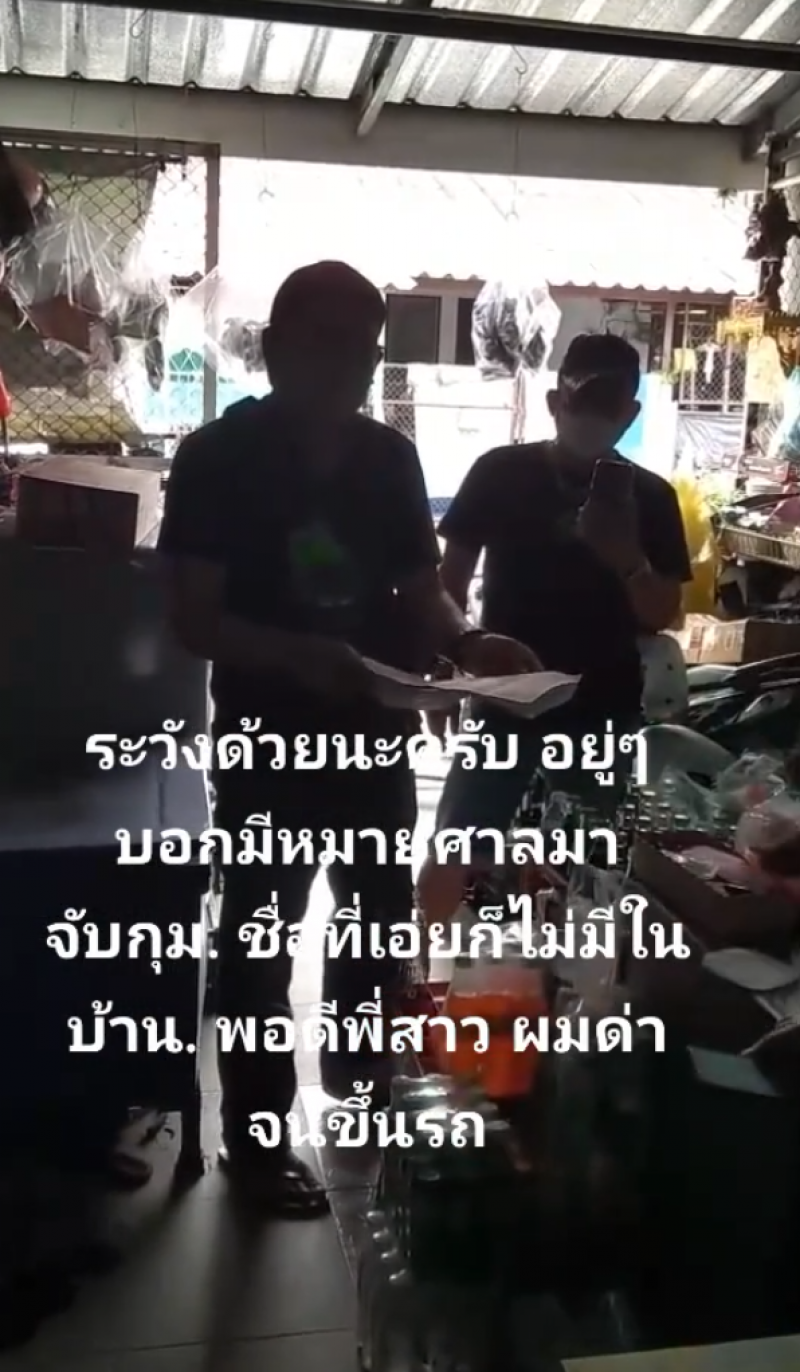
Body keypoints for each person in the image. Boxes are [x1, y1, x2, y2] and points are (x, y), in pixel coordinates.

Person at [158, 261, 536, 1214]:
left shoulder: (387, 458)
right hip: (270, 745)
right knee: (259, 942)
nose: (349, 368)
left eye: (364, 351)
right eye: (326, 344)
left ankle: (361, 1098)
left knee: (373, 929)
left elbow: (422, 586)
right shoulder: (216, 458)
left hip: (375, 736)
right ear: (274, 348)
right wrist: (301, 655)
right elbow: (195, 620)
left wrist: (467, 640)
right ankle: (255, 1145)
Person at [418, 331, 692, 913]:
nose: (590, 419)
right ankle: (418, 957)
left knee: (590, 871)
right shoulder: (500, 472)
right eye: (580, 402)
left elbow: (662, 614)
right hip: (505, 701)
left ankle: (565, 967)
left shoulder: (652, 498)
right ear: (553, 403)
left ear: (629, 415)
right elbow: (449, 579)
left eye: (607, 407)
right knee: (457, 847)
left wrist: (627, 559)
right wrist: (441, 669)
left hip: (603, 707)